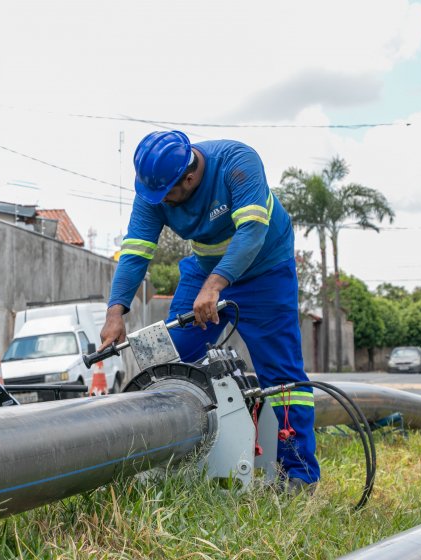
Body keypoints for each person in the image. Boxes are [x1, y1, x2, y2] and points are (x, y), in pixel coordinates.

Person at [100, 130, 319, 491]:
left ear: (189, 178)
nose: (162, 203)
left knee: (282, 378)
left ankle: (297, 475)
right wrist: (115, 313)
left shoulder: (237, 162)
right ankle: (169, 461)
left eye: (169, 195)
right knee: (169, 361)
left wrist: (216, 285)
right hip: (204, 271)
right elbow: (136, 250)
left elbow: (251, 232)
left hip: (266, 271)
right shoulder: (154, 190)